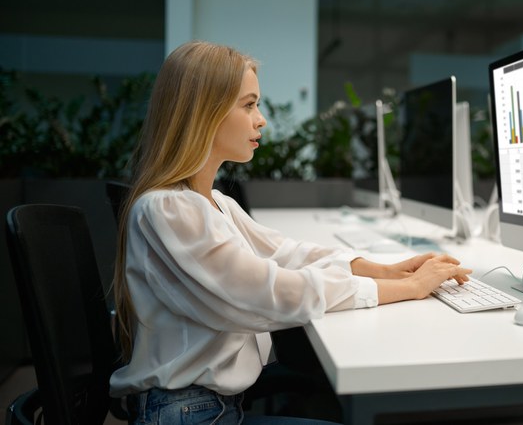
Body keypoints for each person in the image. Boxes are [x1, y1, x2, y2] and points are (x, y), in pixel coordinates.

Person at [109, 41, 472, 424]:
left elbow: (290, 254)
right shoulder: (169, 208)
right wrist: (406, 290)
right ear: (204, 113)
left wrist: (389, 270)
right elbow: (267, 292)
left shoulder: (212, 203)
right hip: (188, 412)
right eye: (248, 105)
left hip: (203, 405)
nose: (260, 119)